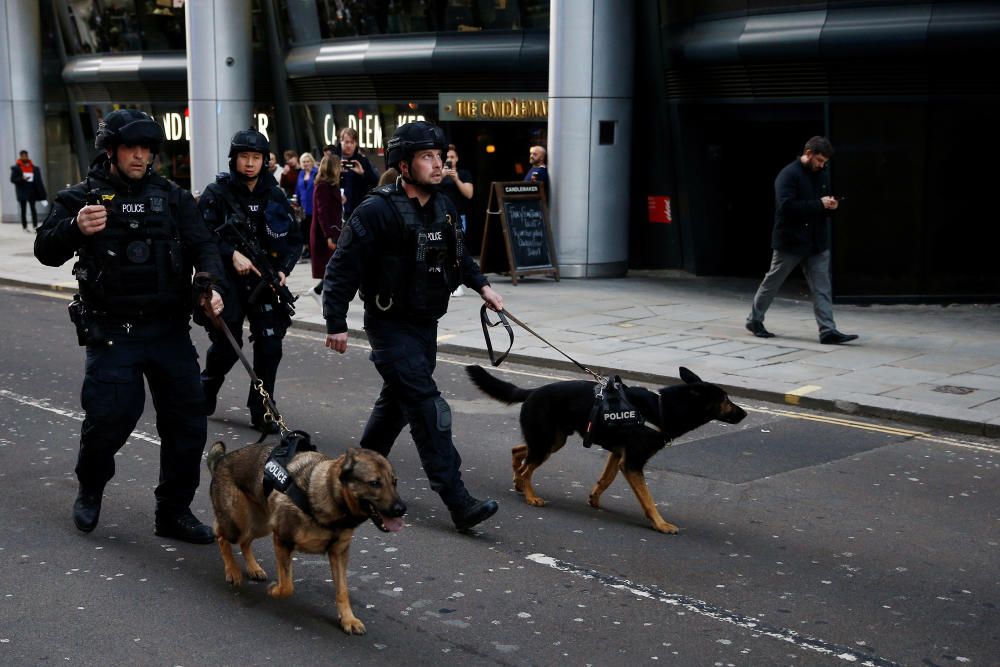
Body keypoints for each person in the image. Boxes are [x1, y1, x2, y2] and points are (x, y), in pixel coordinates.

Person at [34, 109, 227, 543]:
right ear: (111, 151)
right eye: (131, 149)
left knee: (188, 423)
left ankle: (172, 512)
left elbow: (204, 246)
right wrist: (74, 228)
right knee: (110, 419)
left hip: (167, 330)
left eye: (147, 150)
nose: (140, 157)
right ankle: (91, 487)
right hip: (111, 332)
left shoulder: (172, 198)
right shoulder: (82, 197)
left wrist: (211, 286)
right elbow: (46, 250)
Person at [322, 121, 504, 532]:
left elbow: (460, 257)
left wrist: (483, 286)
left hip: (425, 327)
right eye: (427, 157)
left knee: (394, 409)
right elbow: (341, 270)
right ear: (404, 164)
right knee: (428, 408)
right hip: (389, 328)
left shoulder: (444, 206)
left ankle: (347, 479)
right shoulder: (376, 210)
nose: (438, 165)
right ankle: (459, 503)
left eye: (440, 157)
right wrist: (336, 322)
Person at [198, 129, 303, 433]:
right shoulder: (217, 194)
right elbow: (200, 237)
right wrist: (230, 253)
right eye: (244, 157)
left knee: (271, 345)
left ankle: (262, 409)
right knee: (228, 345)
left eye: (256, 158)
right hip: (227, 281)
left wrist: (283, 268)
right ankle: (206, 388)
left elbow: (293, 239)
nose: (249, 163)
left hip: (264, 280)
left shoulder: (274, 194)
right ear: (234, 159)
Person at [746, 136, 858, 345]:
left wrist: (830, 206)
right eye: (819, 160)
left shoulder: (821, 174)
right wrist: (819, 204)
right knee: (773, 282)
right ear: (808, 153)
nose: (822, 165)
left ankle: (827, 330)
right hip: (791, 241)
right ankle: (754, 320)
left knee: (822, 287)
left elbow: (820, 206)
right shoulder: (788, 175)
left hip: (816, 242)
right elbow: (786, 207)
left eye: (825, 162)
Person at [311, 155, 343, 294]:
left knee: (334, 266)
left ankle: (320, 291)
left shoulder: (330, 185)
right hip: (325, 233)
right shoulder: (323, 186)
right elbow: (322, 213)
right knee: (333, 266)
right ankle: (321, 292)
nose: (341, 168)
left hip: (332, 230)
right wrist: (329, 236)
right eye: (339, 166)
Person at [338, 127, 379, 218]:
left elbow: (375, 181)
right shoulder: (334, 159)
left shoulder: (362, 160)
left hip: (359, 208)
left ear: (356, 144)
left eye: (352, 142)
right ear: (341, 142)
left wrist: (362, 173)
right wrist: (336, 173)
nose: (349, 145)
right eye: (346, 142)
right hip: (337, 208)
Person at [10, 150, 47, 231]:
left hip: (31, 191)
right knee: (23, 210)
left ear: (27, 156)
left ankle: (35, 226)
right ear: (20, 156)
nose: (24, 157)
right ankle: (24, 226)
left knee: (33, 209)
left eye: (25, 156)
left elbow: (38, 180)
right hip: (22, 191)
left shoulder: (33, 167)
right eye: (22, 156)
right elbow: (12, 179)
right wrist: (21, 179)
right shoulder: (16, 168)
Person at [295, 152, 318, 259]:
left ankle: (314, 249)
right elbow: (298, 190)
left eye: (307, 161)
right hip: (303, 207)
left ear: (311, 162)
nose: (305, 164)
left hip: (314, 206)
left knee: (313, 229)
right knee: (304, 229)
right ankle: (307, 249)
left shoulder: (316, 172)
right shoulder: (301, 173)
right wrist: (297, 203)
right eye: (303, 162)